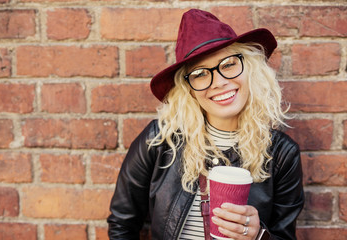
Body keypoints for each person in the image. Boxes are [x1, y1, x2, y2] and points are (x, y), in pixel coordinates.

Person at [107, 9, 304, 240]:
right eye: (200, 74)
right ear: (187, 88)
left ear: (250, 68)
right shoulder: (159, 140)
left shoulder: (282, 155)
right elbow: (122, 224)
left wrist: (259, 236)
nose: (219, 82)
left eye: (229, 64)